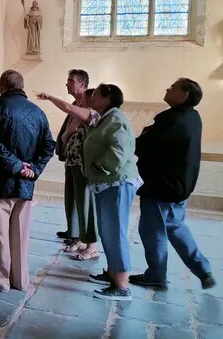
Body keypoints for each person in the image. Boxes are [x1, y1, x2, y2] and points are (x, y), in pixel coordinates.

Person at [39, 84, 139, 302]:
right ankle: (113, 273)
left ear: (108, 98)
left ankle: (122, 286)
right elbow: (70, 109)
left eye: (96, 95)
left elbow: (120, 151)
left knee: (115, 233)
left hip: (116, 184)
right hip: (105, 184)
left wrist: (99, 167)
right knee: (107, 231)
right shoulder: (100, 118)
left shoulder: (116, 120)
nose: (91, 98)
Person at [131, 78, 216, 290]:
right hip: (181, 185)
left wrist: (141, 139)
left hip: (162, 186)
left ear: (184, 94)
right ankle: (203, 269)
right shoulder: (193, 117)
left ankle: (156, 275)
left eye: (173, 87)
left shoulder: (171, 120)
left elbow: (145, 146)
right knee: (176, 227)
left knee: (153, 231)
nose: (168, 88)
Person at [0, 70, 55, 292]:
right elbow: (49, 145)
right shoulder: (38, 112)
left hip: (0, 182)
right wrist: (33, 168)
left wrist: (17, 166)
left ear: (2, 85)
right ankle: (19, 280)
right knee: (21, 234)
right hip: (25, 183)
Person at [59, 88, 99, 261]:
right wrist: (71, 128)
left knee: (87, 205)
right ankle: (80, 238)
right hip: (72, 162)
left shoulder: (94, 117)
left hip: (85, 166)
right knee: (75, 202)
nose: (80, 103)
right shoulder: (78, 118)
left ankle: (92, 246)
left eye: (84, 100)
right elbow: (64, 138)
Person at [55, 69, 90, 243]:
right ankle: (73, 230)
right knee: (70, 195)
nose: (67, 83)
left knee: (81, 197)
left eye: (71, 80)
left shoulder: (87, 103)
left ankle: (82, 236)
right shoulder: (76, 101)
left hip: (81, 157)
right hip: (71, 155)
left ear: (82, 84)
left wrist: (65, 137)